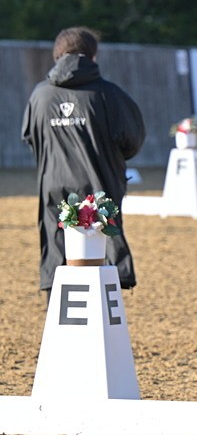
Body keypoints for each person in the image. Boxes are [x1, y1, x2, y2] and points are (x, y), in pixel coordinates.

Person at [22, 27, 146, 295]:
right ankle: (105, 308)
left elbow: (30, 138)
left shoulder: (40, 95)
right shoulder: (108, 94)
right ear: (93, 55)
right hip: (100, 184)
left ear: (57, 55)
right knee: (103, 251)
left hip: (54, 185)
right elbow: (133, 139)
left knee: (57, 248)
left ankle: (57, 311)